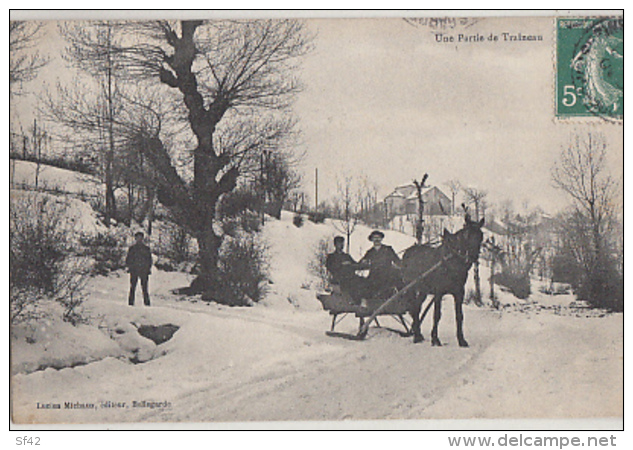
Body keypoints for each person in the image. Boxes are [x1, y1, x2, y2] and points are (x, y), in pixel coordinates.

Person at [359, 230, 403, 298]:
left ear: (381, 239)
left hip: (387, 276)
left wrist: (401, 266)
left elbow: (397, 260)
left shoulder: (388, 249)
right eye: (375, 238)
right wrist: (363, 262)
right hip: (374, 276)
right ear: (372, 240)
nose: (376, 239)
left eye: (378, 237)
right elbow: (362, 262)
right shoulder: (370, 252)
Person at [325, 236, 366, 304]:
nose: (341, 245)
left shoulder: (346, 256)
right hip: (339, 278)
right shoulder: (331, 257)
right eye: (339, 243)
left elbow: (355, 265)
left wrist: (363, 264)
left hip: (351, 277)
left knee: (363, 280)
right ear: (335, 245)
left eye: (342, 243)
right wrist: (342, 265)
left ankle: (363, 301)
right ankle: (354, 302)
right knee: (352, 284)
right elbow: (329, 267)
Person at [126, 231, 153, 306]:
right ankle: (131, 303)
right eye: (138, 238)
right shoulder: (132, 249)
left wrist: (148, 268)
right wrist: (130, 267)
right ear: (135, 238)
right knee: (132, 287)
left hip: (143, 271)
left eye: (140, 238)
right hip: (134, 270)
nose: (139, 239)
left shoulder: (146, 249)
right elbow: (128, 259)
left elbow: (149, 260)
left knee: (144, 288)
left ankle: (147, 303)